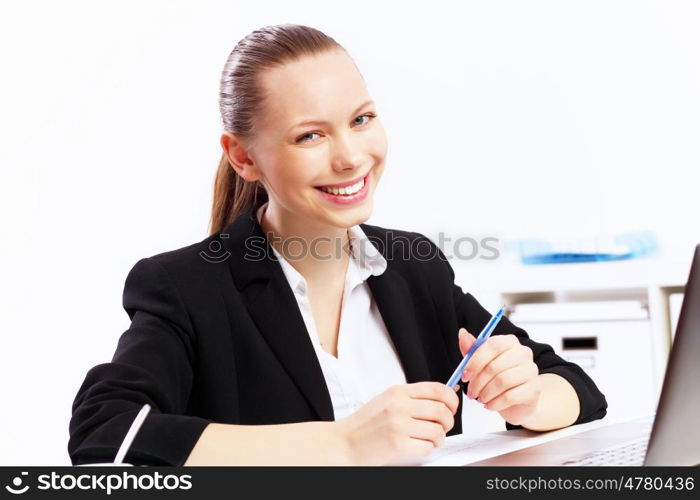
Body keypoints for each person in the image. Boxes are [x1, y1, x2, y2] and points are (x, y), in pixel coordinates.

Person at [68, 24, 607, 466]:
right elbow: (105, 436)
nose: (350, 157)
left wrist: (530, 398)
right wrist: (345, 443)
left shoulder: (413, 266)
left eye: (361, 120)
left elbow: (577, 387)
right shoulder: (189, 288)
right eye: (311, 135)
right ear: (243, 157)